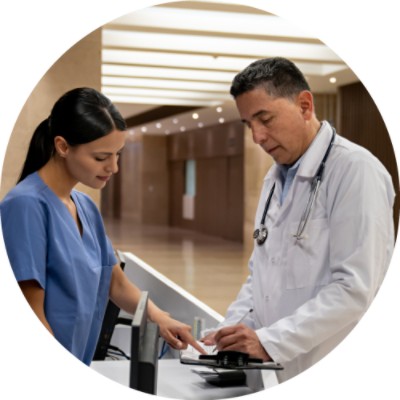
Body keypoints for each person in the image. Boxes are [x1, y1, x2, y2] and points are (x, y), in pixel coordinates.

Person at [201, 57, 396, 383]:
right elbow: (261, 275)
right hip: (281, 368)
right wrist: (229, 332)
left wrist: (269, 341)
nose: (257, 137)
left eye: (265, 119)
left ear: (305, 106)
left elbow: (355, 289)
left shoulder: (355, 170)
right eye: (249, 124)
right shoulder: (274, 178)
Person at [0, 87, 204, 365]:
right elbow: (30, 314)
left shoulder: (84, 206)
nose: (114, 167)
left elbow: (115, 283)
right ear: (62, 146)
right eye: (101, 157)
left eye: (117, 154)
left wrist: (160, 319)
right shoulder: (25, 206)